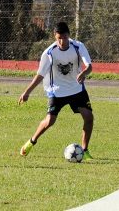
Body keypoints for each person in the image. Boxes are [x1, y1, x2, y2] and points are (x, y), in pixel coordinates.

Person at [18, 21, 94, 161]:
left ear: (68, 36)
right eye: (59, 38)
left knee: (89, 117)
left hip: (76, 89)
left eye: (64, 38)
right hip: (57, 91)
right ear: (55, 36)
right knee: (50, 121)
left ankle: (84, 150)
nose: (62, 41)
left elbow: (89, 66)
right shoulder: (49, 53)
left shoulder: (78, 46)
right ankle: (31, 141)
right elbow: (40, 75)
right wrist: (27, 92)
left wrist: (84, 73)